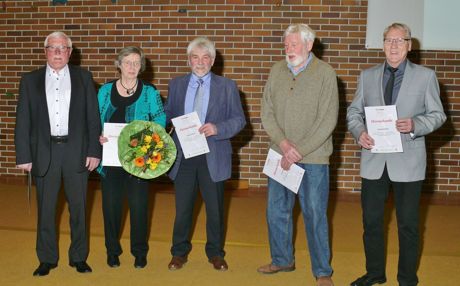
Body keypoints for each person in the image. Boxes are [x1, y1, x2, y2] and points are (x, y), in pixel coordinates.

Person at [347, 23, 446, 286]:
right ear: (382, 45)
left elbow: (438, 115)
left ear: (409, 45)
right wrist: (359, 133)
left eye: (399, 41)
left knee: (409, 227)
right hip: (373, 161)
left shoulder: (426, 76)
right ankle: (375, 273)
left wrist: (416, 125)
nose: (393, 46)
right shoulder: (366, 76)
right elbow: (354, 112)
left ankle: (407, 279)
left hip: (408, 163)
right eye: (389, 40)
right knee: (371, 223)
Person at [14, 31, 101, 276]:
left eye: (63, 48)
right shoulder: (30, 80)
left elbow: (93, 118)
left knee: (79, 209)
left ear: (70, 53)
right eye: (52, 48)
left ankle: (78, 257)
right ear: (45, 51)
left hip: (77, 152)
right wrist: (24, 155)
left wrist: (94, 150)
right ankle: (47, 258)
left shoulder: (84, 78)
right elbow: (23, 120)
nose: (58, 52)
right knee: (46, 209)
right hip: (44, 152)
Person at [258, 24, 338, 286]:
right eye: (286, 44)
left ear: (309, 45)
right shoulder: (276, 70)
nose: (288, 49)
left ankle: (322, 270)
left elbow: (328, 121)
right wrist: (282, 144)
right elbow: (266, 112)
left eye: (294, 44)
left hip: (313, 158)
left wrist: (298, 151)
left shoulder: (326, 74)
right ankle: (282, 259)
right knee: (276, 210)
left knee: (315, 214)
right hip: (279, 154)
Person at [164, 37, 246, 272]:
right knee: (183, 209)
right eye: (195, 57)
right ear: (189, 60)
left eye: (205, 57)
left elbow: (239, 120)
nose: (200, 62)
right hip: (183, 155)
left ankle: (216, 253)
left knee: (215, 209)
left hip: (213, 154)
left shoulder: (227, 86)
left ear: (213, 60)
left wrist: (218, 128)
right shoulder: (177, 84)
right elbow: (168, 114)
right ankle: (178, 253)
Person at [97, 46, 166, 269]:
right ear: (119, 65)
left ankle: (140, 252)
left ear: (141, 66)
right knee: (111, 208)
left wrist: (148, 141)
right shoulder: (105, 90)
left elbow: (161, 121)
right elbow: (94, 119)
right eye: (127, 62)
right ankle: (112, 251)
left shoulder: (150, 92)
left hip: (140, 162)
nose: (132, 67)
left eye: (137, 63)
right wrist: (97, 136)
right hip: (111, 161)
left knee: (139, 208)